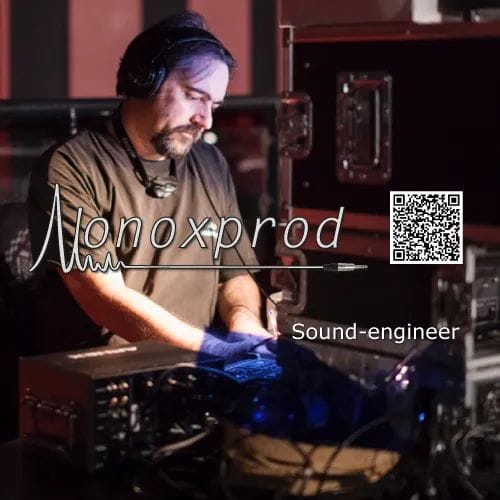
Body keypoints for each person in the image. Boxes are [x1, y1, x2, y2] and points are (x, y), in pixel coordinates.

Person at [27, 11, 273, 359]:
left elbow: (235, 274)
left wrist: (243, 322)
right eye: (194, 96)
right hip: (114, 370)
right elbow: (106, 299)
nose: (206, 120)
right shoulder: (71, 166)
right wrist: (216, 351)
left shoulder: (210, 162)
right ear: (144, 81)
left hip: (200, 365)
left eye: (214, 104)